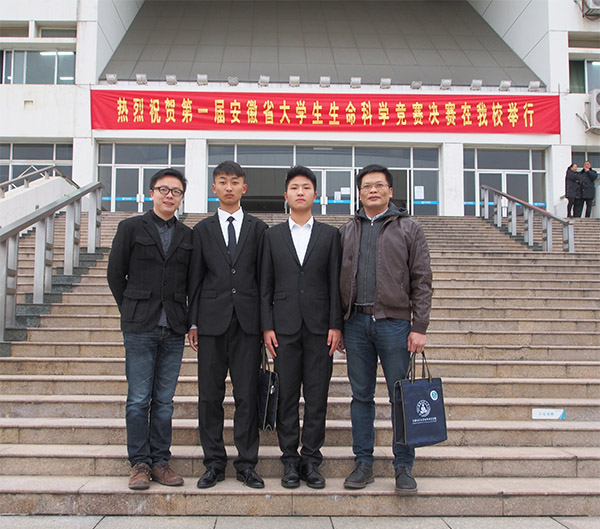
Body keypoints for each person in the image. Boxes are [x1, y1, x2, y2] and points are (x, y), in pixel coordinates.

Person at [339, 164, 433, 494]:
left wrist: (419, 326)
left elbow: (422, 279)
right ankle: (363, 463)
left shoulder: (409, 228)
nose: (373, 191)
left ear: (391, 191)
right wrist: (338, 323)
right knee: (361, 396)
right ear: (359, 193)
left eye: (379, 185)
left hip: (395, 324)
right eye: (367, 186)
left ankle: (403, 466)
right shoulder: (347, 230)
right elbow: (336, 280)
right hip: (355, 324)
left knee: (401, 398)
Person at [107, 168, 192, 490]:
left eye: (176, 191)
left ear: (181, 198)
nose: (169, 196)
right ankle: (139, 464)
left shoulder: (188, 235)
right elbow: (115, 275)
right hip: (140, 326)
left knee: (165, 401)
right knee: (139, 399)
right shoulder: (130, 227)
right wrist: (131, 308)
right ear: (151, 193)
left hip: (174, 326)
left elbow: (191, 281)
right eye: (164, 190)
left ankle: (160, 462)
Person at [260, 166, 343, 490]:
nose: (300, 192)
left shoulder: (330, 235)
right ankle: (289, 461)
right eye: (294, 187)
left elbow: (335, 284)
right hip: (284, 329)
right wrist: (267, 326)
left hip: (321, 329)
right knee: (286, 397)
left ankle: (311, 460)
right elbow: (265, 285)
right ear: (286, 195)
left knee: (317, 396)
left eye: (306, 187)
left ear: (315, 195)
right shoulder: (272, 236)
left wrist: (336, 324)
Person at [188, 161, 268, 489]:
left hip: (248, 325)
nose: (229, 187)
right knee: (210, 396)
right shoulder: (201, 230)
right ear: (214, 188)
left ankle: (247, 464)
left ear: (244, 188)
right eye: (223, 181)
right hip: (211, 324)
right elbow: (195, 279)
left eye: (235, 182)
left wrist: (265, 325)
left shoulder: (259, 229)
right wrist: (193, 321)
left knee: (247, 395)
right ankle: (214, 463)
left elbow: (265, 281)